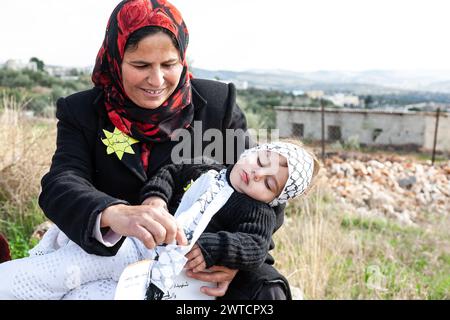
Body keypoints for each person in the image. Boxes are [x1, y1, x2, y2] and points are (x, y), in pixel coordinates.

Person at [0, 0, 289, 299]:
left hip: (203, 257)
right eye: (141, 65)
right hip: (115, 252)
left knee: (266, 294)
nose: (157, 80)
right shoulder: (82, 111)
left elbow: (270, 194)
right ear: (116, 58)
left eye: (169, 65)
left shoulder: (217, 105)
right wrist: (114, 213)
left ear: (183, 59)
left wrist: (232, 260)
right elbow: (62, 183)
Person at [0, 141, 319, 300]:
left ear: (274, 201)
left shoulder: (255, 211)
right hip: (138, 243)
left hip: (171, 276)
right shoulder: (204, 168)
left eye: (269, 184)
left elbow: (254, 245)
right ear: (253, 149)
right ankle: (11, 283)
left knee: (94, 295)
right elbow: (167, 174)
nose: (256, 174)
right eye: (262, 160)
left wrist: (211, 248)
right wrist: (155, 199)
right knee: (66, 269)